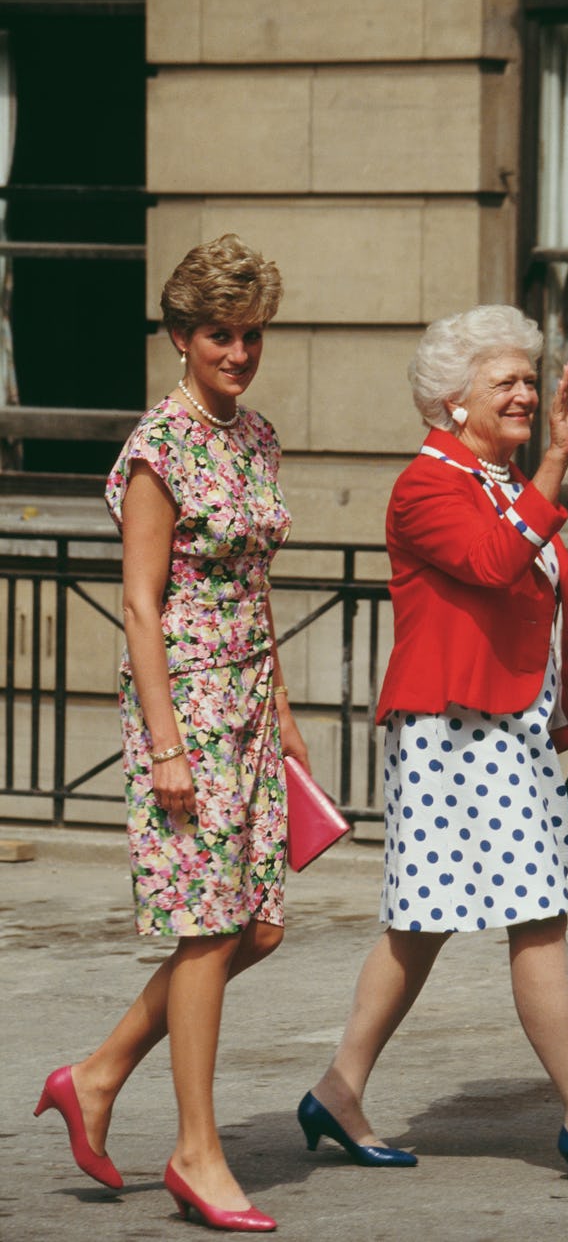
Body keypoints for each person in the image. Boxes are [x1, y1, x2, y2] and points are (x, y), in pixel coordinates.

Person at [298, 305, 568, 1190]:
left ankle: (338, 1089)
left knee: (421, 922)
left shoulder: (511, 483)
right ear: (450, 402)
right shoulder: (426, 485)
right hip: (452, 732)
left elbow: (549, 621)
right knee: (538, 915)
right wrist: (552, 464)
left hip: (511, 727)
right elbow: (490, 564)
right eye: (502, 381)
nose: (524, 392)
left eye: (527, 378)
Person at [35, 234, 308, 1232]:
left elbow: (258, 581)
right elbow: (141, 607)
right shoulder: (159, 445)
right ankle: (197, 1150)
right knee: (207, 929)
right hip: (183, 699)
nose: (238, 352)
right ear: (181, 337)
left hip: (248, 699)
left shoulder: (258, 437)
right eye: (218, 335)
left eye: (250, 334)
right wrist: (164, 742)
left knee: (259, 924)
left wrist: (282, 709)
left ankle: (97, 1071)